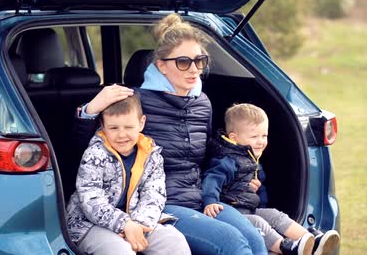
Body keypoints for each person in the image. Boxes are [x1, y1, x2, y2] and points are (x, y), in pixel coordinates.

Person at [75, 13, 267, 255]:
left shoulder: (203, 103)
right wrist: (91, 109)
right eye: (183, 62)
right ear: (161, 66)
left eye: (200, 61)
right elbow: (91, 147)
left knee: (255, 239)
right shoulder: (135, 101)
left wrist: (240, 176)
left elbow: (209, 155)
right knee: (232, 243)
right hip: (162, 203)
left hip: (202, 197)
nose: (194, 69)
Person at [202, 103, 341, 255]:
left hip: (248, 209)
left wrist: (256, 197)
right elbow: (211, 180)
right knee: (259, 223)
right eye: (254, 137)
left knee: (274, 214)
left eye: (264, 136)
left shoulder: (250, 157)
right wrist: (210, 202)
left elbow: (257, 190)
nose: (261, 141)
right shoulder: (227, 159)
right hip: (231, 213)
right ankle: (285, 247)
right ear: (234, 138)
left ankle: (311, 240)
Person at [66, 93, 191, 255]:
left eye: (129, 127)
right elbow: (90, 199)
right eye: (113, 128)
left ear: (141, 123)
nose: (122, 135)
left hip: (135, 219)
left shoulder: (150, 154)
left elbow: (154, 194)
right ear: (103, 126)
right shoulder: (94, 154)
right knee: (120, 250)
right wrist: (124, 224)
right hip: (89, 224)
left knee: (174, 242)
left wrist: (138, 224)